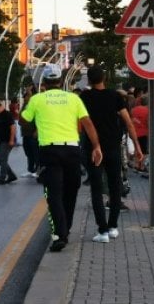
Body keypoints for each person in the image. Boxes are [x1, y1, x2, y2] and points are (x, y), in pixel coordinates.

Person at [21, 64, 103, 252]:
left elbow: (23, 119)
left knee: (54, 194)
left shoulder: (37, 99)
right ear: (60, 80)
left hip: (49, 151)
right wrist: (96, 146)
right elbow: (87, 123)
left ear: (45, 82)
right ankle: (67, 227)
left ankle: (60, 234)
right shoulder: (73, 98)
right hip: (72, 150)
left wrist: (34, 121)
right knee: (71, 190)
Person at [80, 66, 143, 243]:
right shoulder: (115, 96)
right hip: (114, 148)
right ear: (104, 78)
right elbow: (129, 123)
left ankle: (102, 231)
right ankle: (113, 226)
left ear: (89, 81)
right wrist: (137, 146)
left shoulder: (84, 97)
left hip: (94, 148)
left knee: (97, 189)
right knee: (115, 188)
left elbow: (80, 122)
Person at [0, 99, 17, 185]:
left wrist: (12, 140)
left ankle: (2, 178)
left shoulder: (7, 114)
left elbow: (13, 127)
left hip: (7, 140)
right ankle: (11, 175)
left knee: (2, 159)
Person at [19, 91, 39, 178]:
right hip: (25, 133)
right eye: (25, 96)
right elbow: (21, 115)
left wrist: (37, 130)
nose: (25, 98)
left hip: (33, 132)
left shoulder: (35, 105)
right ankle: (30, 170)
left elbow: (39, 117)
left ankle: (38, 170)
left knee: (36, 152)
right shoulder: (24, 105)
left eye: (27, 96)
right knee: (28, 152)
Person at [131, 95, 149, 172]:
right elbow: (148, 122)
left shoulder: (133, 110)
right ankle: (141, 166)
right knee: (143, 150)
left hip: (134, 133)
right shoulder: (148, 110)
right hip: (144, 133)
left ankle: (136, 164)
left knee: (136, 148)